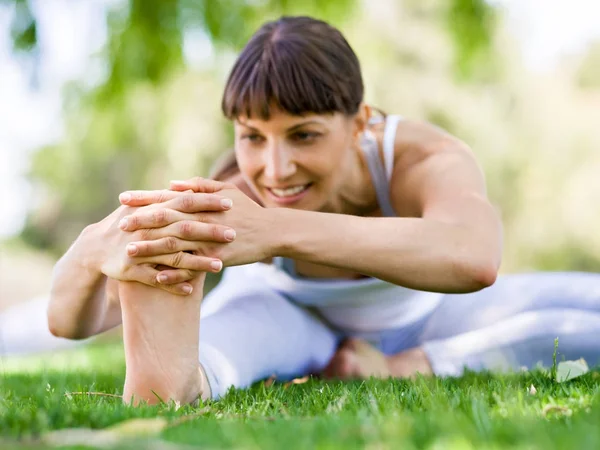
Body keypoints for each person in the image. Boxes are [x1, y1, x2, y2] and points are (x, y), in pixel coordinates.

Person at [45, 16, 600, 406]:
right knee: (220, 344)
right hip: (291, 316)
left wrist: (276, 230)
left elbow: (475, 258)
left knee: (580, 323)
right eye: (252, 137)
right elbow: (76, 321)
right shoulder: (227, 194)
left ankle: (412, 366)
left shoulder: (418, 158)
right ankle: (177, 381)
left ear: (361, 123)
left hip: (426, 318)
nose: (275, 168)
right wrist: (90, 254)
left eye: (303, 135)